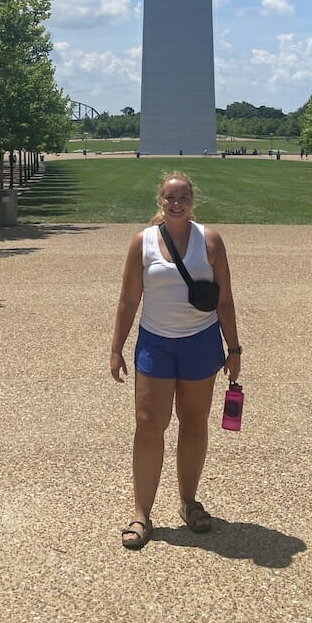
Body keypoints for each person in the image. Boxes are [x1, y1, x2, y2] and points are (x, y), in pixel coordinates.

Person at [110, 171, 241, 550]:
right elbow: (128, 300)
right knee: (149, 423)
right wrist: (116, 346)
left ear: (192, 199)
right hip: (156, 342)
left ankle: (188, 501)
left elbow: (225, 300)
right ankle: (141, 512)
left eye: (183, 196)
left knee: (195, 421)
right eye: (170, 197)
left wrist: (233, 349)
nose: (177, 202)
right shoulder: (143, 242)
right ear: (160, 200)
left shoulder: (210, 240)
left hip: (201, 342)